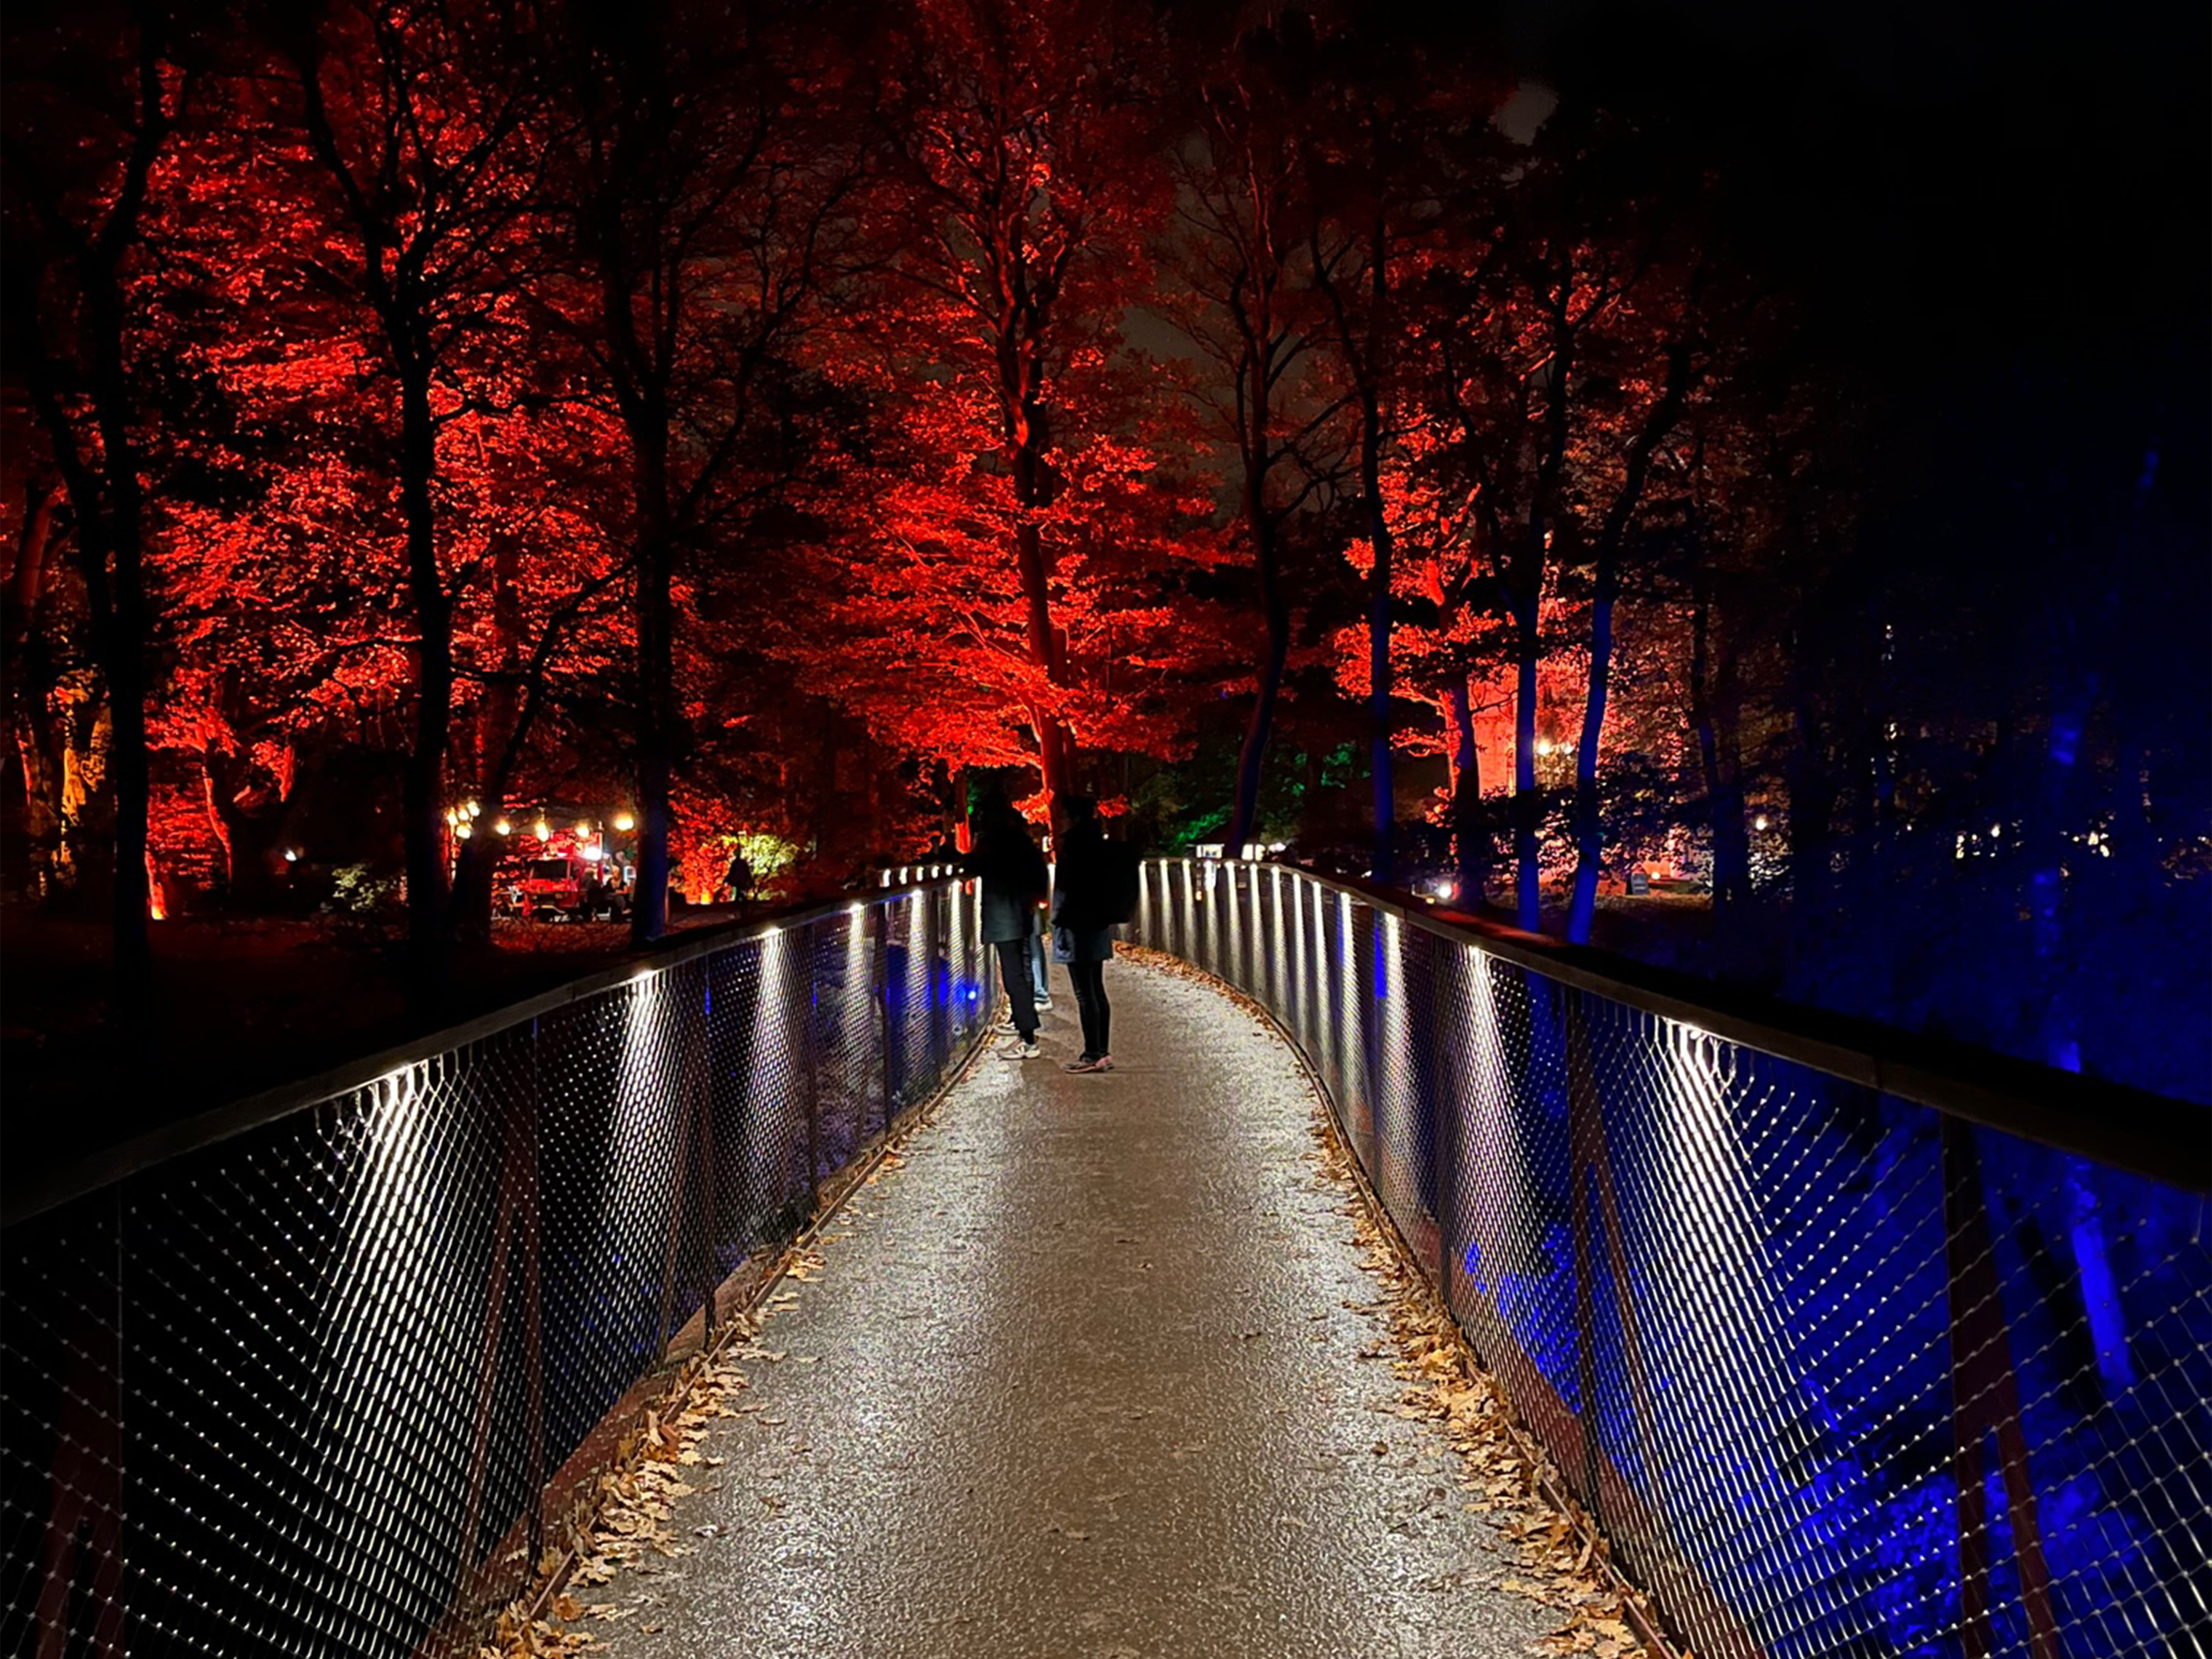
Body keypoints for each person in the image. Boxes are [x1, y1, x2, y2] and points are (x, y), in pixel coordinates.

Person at [962, 794, 1048, 1060]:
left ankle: (1028, 1036)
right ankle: (1026, 1026)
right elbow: (1039, 869)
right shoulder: (1020, 840)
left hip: (1003, 917)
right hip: (1021, 912)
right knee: (1021, 970)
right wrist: (1037, 897)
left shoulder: (991, 843)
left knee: (1013, 975)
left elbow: (970, 866)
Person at [1049, 794, 1116, 1073]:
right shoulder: (1098, 843)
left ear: (1071, 815)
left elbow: (1065, 891)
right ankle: (1103, 1050)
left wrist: (1056, 920)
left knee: (1084, 992)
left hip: (1077, 925)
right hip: (1098, 922)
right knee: (1097, 988)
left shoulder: (1072, 846)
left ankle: (1092, 1054)